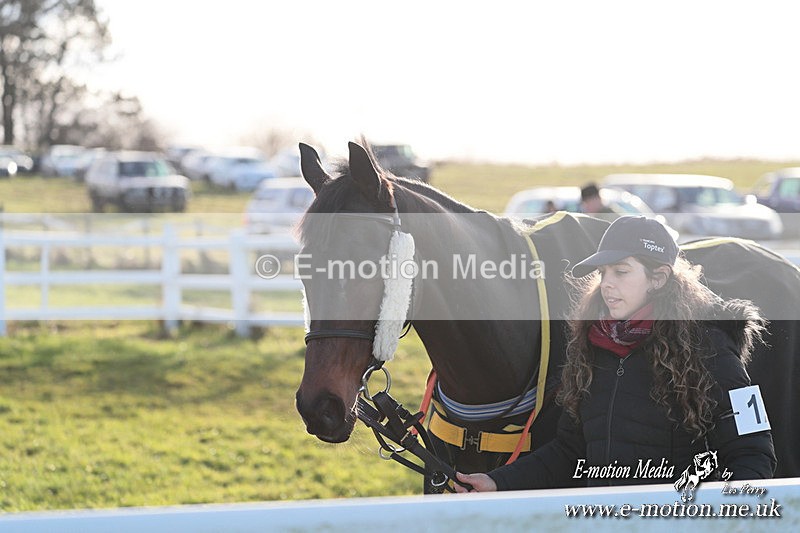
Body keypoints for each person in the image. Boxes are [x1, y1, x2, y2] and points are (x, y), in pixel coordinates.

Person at [456, 216, 776, 492]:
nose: (607, 284)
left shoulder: (712, 348)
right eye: (603, 272)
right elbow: (570, 452)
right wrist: (498, 482)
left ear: (658, 278)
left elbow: (754, 455)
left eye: (621, 271)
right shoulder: (589, 348)